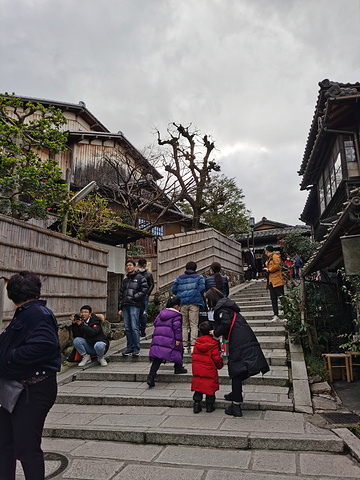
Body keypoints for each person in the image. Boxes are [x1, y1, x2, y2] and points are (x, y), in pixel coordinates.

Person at [0, 271, 61, 479]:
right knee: (5, 442)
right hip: (19, 389)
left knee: (26, 447)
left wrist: (9, 356)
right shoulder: (28, 312)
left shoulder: (36, 314)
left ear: (11, 293)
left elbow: (46, 345)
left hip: (33, 389)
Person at [205, 287, 269, 417]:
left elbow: (226, 324)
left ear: (212, 299)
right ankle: (235, 394)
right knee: (239, 370)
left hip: (238, 342)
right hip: (244, 338)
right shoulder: (227, 305)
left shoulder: (221, 309)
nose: (207, 303)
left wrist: (215, 332)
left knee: (236, 372)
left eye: (207, 300)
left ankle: (236, 405)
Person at [147, 296, 187, 387]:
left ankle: (151, 376)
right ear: (176, 306)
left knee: (157, 358)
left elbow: (155, 323)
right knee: (179, 349)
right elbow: (177, 328)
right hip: (170, 338)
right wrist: (177, 339)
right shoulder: (176, 315)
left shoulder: (161, 313)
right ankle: (178, 367)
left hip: (159, 338)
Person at [171, 261, 205, 351]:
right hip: (194, 302)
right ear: (195, 268)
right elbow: (202, 288)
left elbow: (173, 289)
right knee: (194, 324)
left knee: (184, 325)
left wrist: (180, 294)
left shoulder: (179, 278)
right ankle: (193, 344)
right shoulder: (199, 277)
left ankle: (185, 345)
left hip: (183, 303)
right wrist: (196, 294)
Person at [191, 320, 223, 413]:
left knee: (198, 386)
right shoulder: (213, 343)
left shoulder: (197, 342)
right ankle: (209, 406)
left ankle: (196, 405)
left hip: (198, 368)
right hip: (209, 369)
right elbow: (216, 358)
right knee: (210, 387)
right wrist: (220, 365)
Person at [118, 259, 148, 356]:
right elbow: (121, 293)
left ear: (135, 267)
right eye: (127, 266)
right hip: (126, 305)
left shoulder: (140, 278)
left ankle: (136, 348)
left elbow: (144, 290)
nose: (128, 267)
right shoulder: (125, 280)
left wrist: (134, 297)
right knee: (127, 327)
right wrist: (120, 307)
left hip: (135, 305)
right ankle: (129, 347)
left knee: (134, 327)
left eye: (130, 265)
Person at [263, 245, 285, 322]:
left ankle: (286, 314)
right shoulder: (269, 258)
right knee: (273, 299)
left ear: (267, 251)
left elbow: (277, 266)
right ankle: (276, 315)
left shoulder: (275, 256)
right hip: (271, 281)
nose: (265, 253)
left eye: (265, 251)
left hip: (277, 280)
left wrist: (269, 270)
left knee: (282, 298)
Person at [137, 258, 154, 337]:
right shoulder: (136, 274)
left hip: (144, 296)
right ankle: (137, 329)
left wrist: (147, 293)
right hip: (136, 296)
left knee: (144, 314)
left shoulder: (148, 274)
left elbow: (151, 284)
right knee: (137, 313)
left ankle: (143, 329)